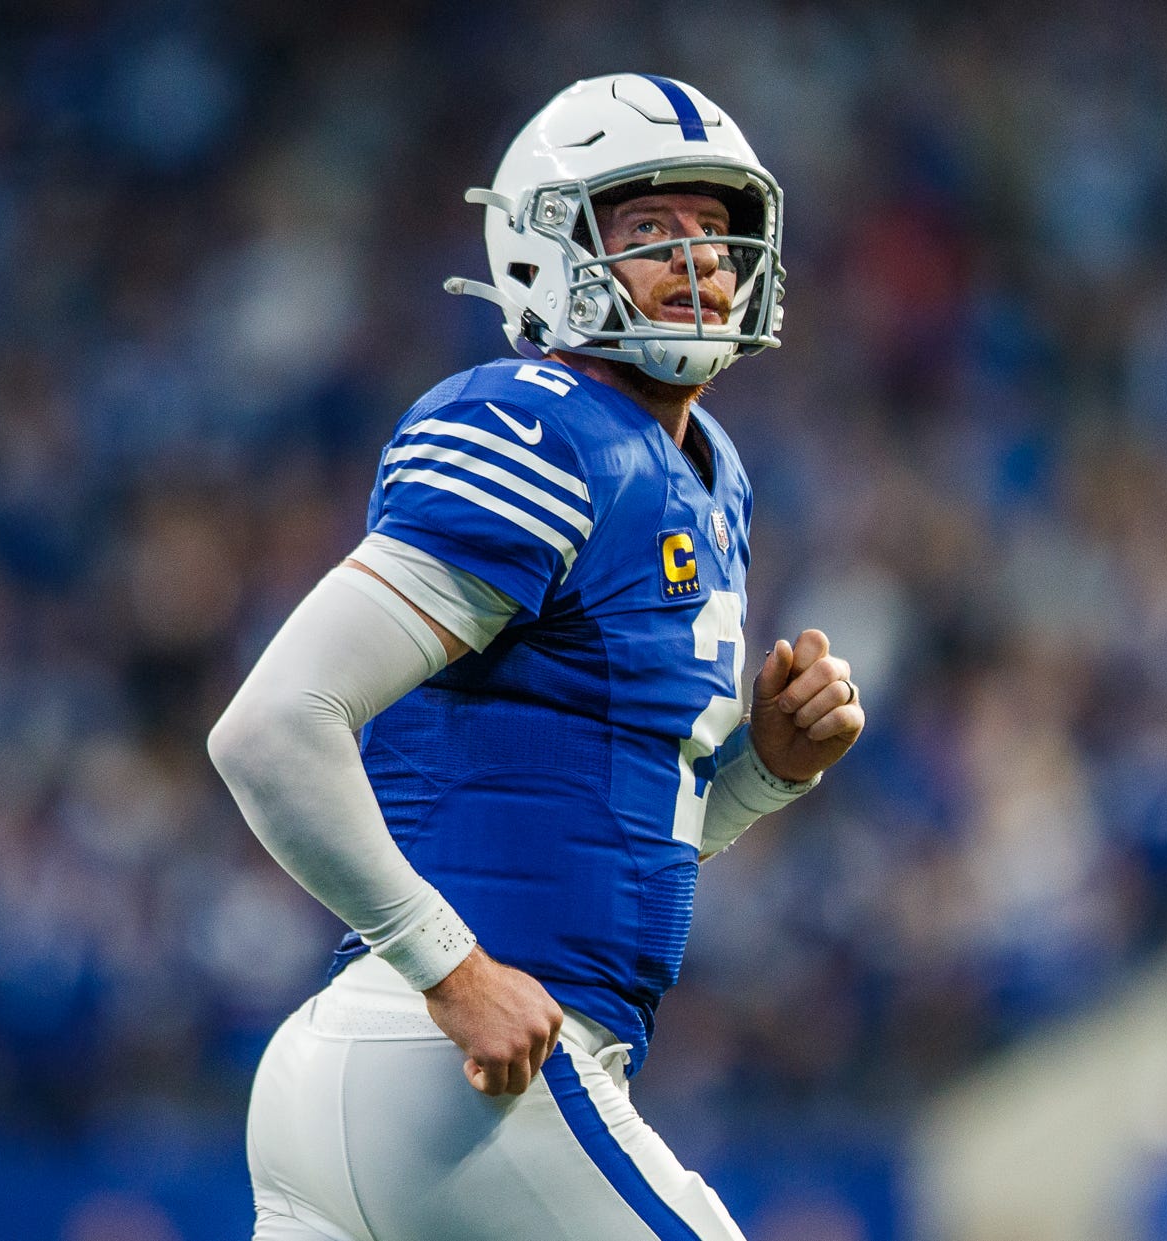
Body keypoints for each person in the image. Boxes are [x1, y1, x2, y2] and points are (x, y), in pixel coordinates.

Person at [208, 74, 864, 1241]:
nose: (698, 263)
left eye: (714, 234)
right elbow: (269, 727)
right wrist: (452, 969)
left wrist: (761, 770)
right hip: (454, 1067)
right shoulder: (539, 422)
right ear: (543, 251)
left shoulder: (706, 472)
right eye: (649, 231)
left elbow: (612, 830)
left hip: (404, 1069)